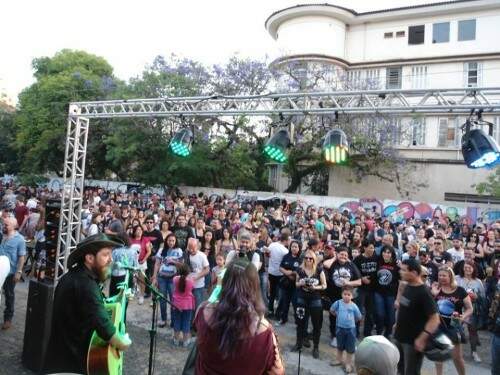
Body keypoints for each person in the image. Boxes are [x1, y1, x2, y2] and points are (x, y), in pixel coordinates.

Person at [44, 233, 131, 374]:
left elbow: (92, 306)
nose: (110, 260)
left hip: (60, 359)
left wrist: (119, 297)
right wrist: (124, 342)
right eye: (106, 255)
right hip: (73, 364)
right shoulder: (86, 285)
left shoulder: (73, 276)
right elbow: (107, 330)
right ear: (90, 258)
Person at [194, 257, 284, 375]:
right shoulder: (264, 330)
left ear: (224, 282)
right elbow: (277, 372)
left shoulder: (203, 311)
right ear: (254, 287)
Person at [394, 258, 440, 375]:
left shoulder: (424, 292)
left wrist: (422, 338)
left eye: (404, 270)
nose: (400, 272)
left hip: (412, 341)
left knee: (411, 372)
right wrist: (397, 323)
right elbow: (404, 308)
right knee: (400, 369)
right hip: (400, 336)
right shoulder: (408, 285)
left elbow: (435, 319)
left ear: (414, 273)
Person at [431, 266, 473, 375]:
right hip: (438, 326)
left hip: (454, 327)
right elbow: (429, 307)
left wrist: (463, 316)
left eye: (444, 275)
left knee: (457, 357)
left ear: (450, 276)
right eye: (439, 275)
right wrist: (434, 294)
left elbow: (470, 308)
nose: (441, 278)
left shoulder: (460, 290)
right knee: (438, 355)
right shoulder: (436, 289)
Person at [292, 249, 327, 359]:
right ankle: (298, 343)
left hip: (315, 299)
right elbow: (296, 284)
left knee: (316, 325)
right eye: (306, 258)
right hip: (302, 298)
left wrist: (315, 287)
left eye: (310, 258)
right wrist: (300, 283)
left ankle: (316, 347)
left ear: (314, 259)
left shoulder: (319, 270)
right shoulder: (300, 270)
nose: (308, 260)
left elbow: (324, 285)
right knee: (300, 322)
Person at [456, 260, 485, 362]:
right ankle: (452, 350)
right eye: (465, 267)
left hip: (472, 309)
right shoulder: (457, 279)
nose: (467, 269)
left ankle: (474, 353)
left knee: (472, 331)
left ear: (473, 269)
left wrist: (476, 297)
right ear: (462, 268)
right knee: (455, 329)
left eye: (469, 267)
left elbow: (483, 298)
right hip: (457, 308)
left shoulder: (478, 282)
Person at [152, 233, 184, 327]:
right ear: (166, 241)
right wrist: (154, 277)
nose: (171, 242)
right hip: (162, 277)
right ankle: (163, 319)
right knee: (162, 299)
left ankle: (173, 320)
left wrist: (173, 261)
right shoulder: (162, 250)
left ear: (175, 241)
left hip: (173, 279)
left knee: (173, 299)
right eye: (169, 240)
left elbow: (182, 265)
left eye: (173, 241)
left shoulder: (178, 250)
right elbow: (157, 264)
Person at [0, 217, 26, 330]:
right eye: (3, 224)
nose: (4, 226)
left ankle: (8, 319)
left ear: (14, 226)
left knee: (9, 295)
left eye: (6, 225)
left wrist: (19, 272)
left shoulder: (19, 239)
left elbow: (21, 257)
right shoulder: (1, 235)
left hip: (10, 273)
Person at [330, 286, 362, 373]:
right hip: (339, 328)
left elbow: (359, 317)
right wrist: (338, 316)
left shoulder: (354, 306)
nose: (346, 296)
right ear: (341, 294)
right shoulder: (338, 303)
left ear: (352, 296)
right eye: (345, 294)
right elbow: (332, 310)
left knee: (350, 347)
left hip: (351, 329)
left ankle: (348, 363)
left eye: (349, 294)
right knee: (339, 345)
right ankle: (339, 359)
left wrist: (352, 321)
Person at [374, 245, 400, 338]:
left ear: (392, 254)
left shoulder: (396, 265)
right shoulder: (378, 261)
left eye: (388, 252)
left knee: (391, 317)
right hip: (379, 292)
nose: (386, 254)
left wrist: (398, 297)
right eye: (384, 252)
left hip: (391, 294)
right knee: (380, 314)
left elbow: (401, 281)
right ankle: (379, 333)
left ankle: (387, 334)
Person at [277, 239, 301, 325]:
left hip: (296, 286)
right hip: (285, 284)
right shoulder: (286, 256)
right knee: (285, 303)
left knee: (296, 304)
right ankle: (283, 319)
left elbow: (300, 271)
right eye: (292, 246)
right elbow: (280, 267)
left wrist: (292, 273)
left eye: (296, 247)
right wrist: (287, 273)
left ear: (299, 248)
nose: (294, 248)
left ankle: (298, 322)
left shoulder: (300, 259)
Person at [266, 233, 290, 318]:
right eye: (288, 240)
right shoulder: (285, 250)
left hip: (271, 271)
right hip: (280, 273)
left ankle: (270, 311)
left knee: (272, 293)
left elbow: (267, 253)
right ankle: (278, 313)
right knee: (280, 294)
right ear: (286, 240)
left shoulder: (272, 244)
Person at [171, 263, 195, 347]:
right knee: (186, 322)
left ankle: (176, 339)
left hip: (177, 304)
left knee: (177, 321)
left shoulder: (175, 279)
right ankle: (185, 341)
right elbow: (192, 288)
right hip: (188, 304)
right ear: (188, 272)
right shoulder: (191, 281)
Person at [186, 237, 209, 311]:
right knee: (189, 307)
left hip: (198, 286)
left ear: (197, 246)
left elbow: (207, 269)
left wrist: (197, 277)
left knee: (198, 307)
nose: (191, 250)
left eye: (193, 248)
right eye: (190, 248)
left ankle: (196, 322)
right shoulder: (186, 254)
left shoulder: (202, 256)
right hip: (188, 286)